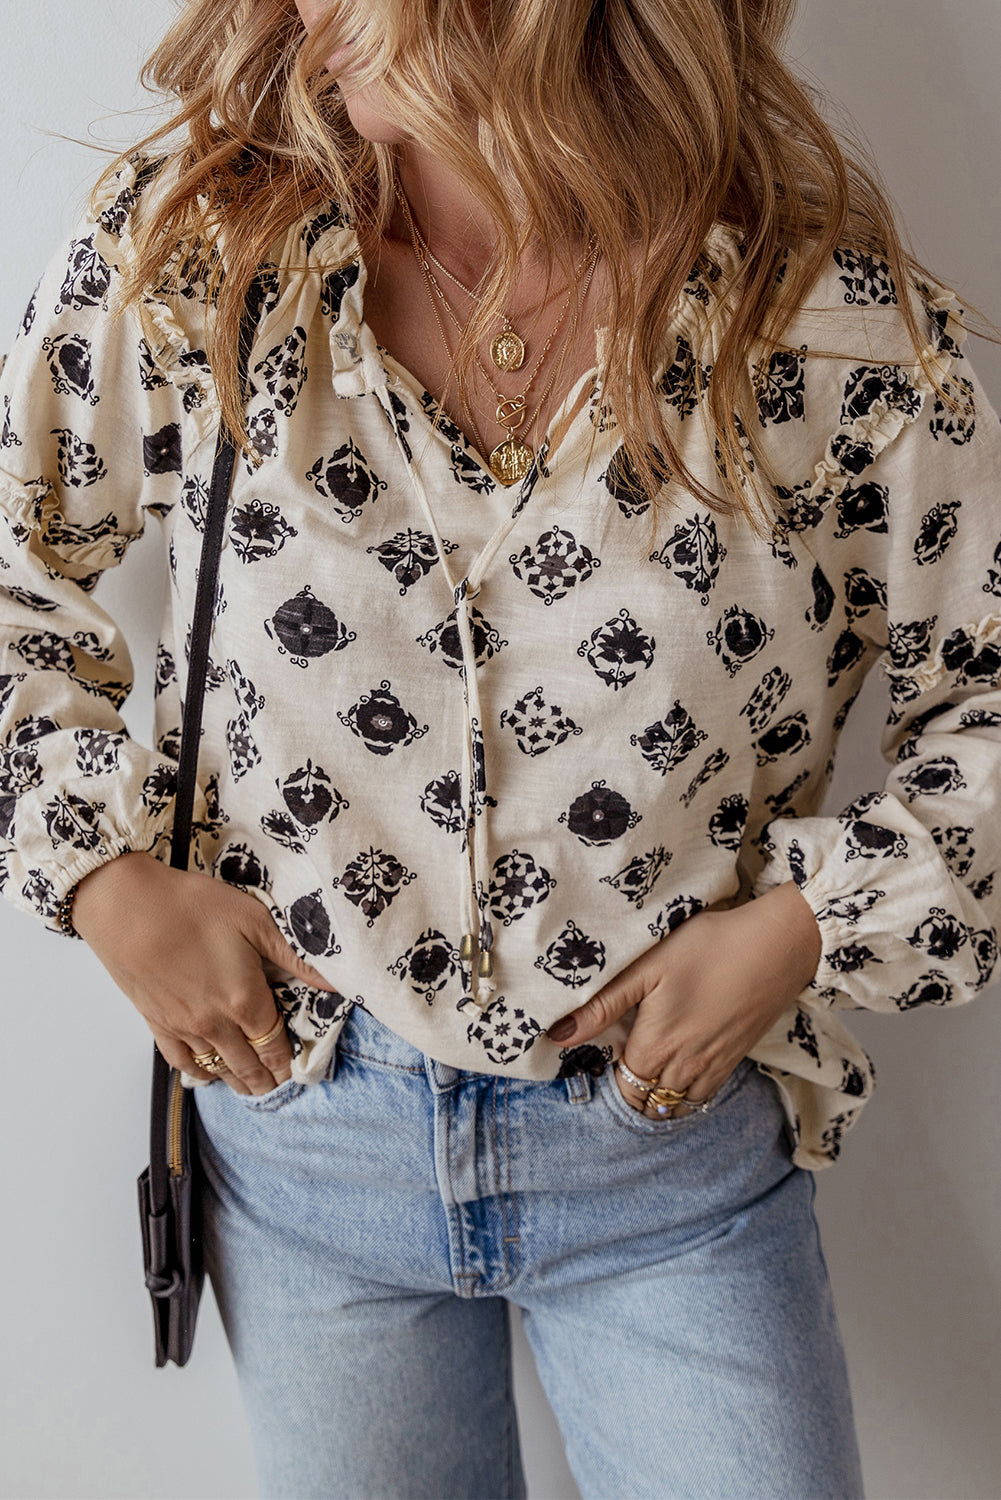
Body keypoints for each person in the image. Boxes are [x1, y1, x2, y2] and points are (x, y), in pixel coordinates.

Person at [2, 0, 999, 1494]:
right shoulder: (205, 261)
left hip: (670, 1165)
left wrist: (802, 930)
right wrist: (98, 882)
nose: (308, 17)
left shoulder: (818, 329)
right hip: (303, 1143)